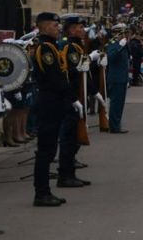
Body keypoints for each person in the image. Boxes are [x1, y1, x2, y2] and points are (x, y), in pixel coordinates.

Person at [32, 12, 81, 207]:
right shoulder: (45, 48)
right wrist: (72, 97)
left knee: (50, 148)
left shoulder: (51, 46)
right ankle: (41, 193)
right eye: (53, 25)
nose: (58, 28)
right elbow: (55, 78)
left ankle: (45, 191)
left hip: (55, 102)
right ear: (43, 27)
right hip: (49, 102)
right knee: (46, 150)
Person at [56, 14, 93, 188]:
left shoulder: (77, 46)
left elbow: (84, 73)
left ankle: (70, 173)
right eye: (79, 27)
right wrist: (73, 98)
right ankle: (65, 174)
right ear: (71, 30)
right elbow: (71, 74)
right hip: (70, 97)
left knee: (73, 137)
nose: (83, 30)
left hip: (77, 95)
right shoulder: (70, 47)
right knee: (68, 137)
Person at [106, 23, 130, 133]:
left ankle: (117, 124)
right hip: (115, 78)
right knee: (115, 103)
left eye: (125, 33)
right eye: (122, 33)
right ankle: (114, 127)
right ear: (116, 34)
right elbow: (111, 57)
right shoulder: (113, 44)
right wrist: (120, 45)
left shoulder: (124, 44)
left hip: (122, 78)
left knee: (120, 103)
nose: (124, 35)